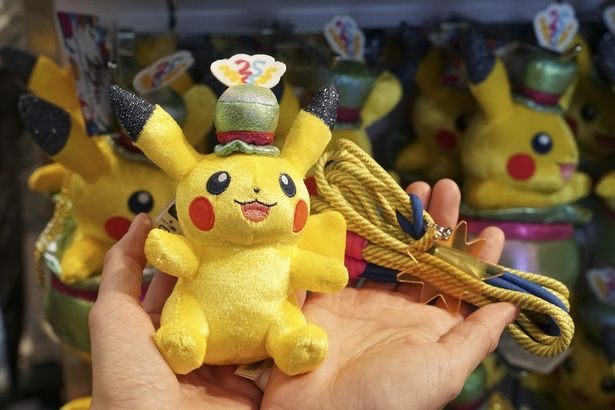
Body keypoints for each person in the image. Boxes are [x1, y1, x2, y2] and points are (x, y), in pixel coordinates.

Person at [88, 179, 518, 410]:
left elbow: (308, 268)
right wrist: (167, 249)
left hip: (272, 330)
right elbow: (179, 255)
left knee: (290, 325)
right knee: (186, 321)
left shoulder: (285, 247)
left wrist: (331, 272)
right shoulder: (204, 243)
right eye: (218, 183)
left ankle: (292, 345)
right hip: (198, 328)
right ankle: (188, 342)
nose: (254, 194)